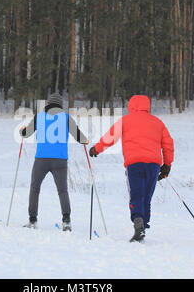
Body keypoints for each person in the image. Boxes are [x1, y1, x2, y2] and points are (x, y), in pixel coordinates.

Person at [89, 95, 174, 242]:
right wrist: (167, 165)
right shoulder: (157, 122)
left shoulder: (126, 121)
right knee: (146, 196)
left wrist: (96, 149)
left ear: (131, 106)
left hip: (134, 164)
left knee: (136, 194)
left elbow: (110, 137)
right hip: (153, 165)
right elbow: (168, 144)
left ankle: (139, 225)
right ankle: (142, 225)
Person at [19, 93, 88, 231]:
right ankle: (66, 220)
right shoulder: (66, 117)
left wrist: (22, 130)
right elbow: (78, 136)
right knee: (62, 190)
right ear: (60, 105)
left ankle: (32, 220)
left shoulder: (40, 116)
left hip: (41, 159)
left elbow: (26, 134)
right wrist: (85, 140)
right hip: (60, 160)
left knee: (35, 188)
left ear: (48, 104)